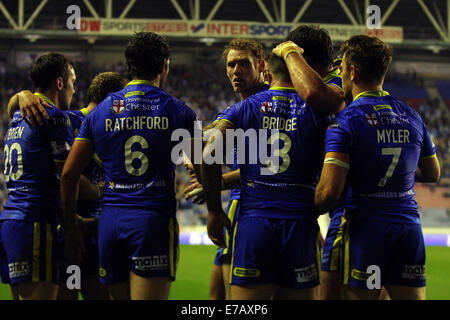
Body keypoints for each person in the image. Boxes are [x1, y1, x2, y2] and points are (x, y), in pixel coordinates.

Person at [60, 32, 199, 300]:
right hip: (152, 221)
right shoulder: (179, 111)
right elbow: (205, 165)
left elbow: (68, 175)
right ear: (164, 66)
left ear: (129, 66)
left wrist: (71, 228)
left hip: (110, 224)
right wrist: (214, 207)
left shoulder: (99, 113)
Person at [201, 48, 334, 300]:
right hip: (300, 224)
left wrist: (214, 209)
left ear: (267, 72)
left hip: (254, 223)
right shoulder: (319, 112)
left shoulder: (243, 109)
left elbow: (208, 154)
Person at [314, 35, 440, 300]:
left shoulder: (346, 121)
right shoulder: (412, 115)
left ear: (353, 72)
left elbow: (328, 194)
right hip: (407, 228)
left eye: (343, 69)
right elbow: (433, 173)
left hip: (364, 228)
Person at [8, 72, 127, 300]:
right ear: (112, 99)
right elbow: (61, 175)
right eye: (123, 101)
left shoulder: (116, 132)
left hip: (96, 233)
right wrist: (23, 96)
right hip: (66, 234)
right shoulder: (65, 120)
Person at [0, 52, 101, 300]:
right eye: (72, 82)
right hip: (36, 222)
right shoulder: (54, 118)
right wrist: (102, 193)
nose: (74, 89)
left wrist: (22, 95)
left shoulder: (17, 117)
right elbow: (69, 177)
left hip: (11, 220)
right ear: (59, 83)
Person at [184, 38, 269, 300]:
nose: (236, 71)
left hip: (260, 212)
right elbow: (200, 143)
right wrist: (196, 159)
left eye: (244, 64)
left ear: (261, 65)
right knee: (216, 294)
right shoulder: (236, 110)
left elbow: (265, 171)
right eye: (231, 65)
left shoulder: (267, 105)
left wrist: (215, 184)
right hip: (238, 209)